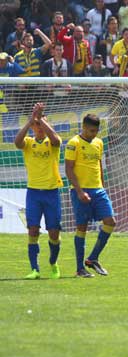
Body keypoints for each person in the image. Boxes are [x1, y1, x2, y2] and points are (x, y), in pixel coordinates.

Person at [14, 103, 63, 280]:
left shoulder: (53, 142)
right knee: (33, 230)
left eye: (42, 124)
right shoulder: (28, 142)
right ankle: (34, 269)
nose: (39, 127)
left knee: (54, 233)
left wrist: (41, 118)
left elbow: (56, 140)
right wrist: (30, 121)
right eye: (37, 125)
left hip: (51, 192)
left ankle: (53, 262)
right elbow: (17, 142)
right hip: (33, 193)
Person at [65, 114, 115, 278]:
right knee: (82, 228)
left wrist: (102, 185)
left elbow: (99, 165)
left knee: (110, 222)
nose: (94, 133)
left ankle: (92, 258)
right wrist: (79, 191)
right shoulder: (74, 143)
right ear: (84, 127)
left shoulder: (99, 142)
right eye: (91, 130)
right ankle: (80, 268)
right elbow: (69, 169)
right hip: (81, 190)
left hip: (98, 190)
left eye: (96, 131)